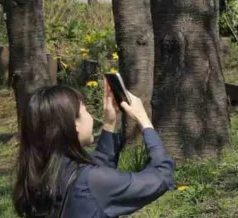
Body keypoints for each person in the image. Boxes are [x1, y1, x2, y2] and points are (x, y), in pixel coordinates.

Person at [13, 84, 175, 218]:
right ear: (73, 124)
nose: (91, 117)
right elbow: (162, 176)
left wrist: (110, 124)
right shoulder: (89, 181)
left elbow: (97, 169)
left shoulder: (41, 172)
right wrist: (143, 120)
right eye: (85, 111)